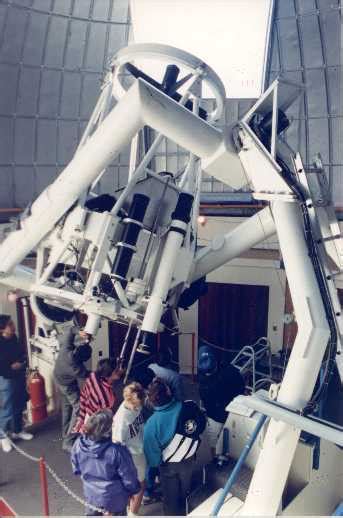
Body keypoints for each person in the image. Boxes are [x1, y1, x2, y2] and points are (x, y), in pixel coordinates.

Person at [143, 378, 206, 515]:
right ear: (168, 392)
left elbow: (152, 455)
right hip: (188, 457)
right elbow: (201, 425)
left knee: (170, 497)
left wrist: (157, 464)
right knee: (185, 483)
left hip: (168, 465)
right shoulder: (189, 406)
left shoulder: (151, 424)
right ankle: (186, 505)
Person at [71, 409, 140, 516]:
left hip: (91, 495)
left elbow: (76, 469)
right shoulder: (117, 451)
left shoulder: (78, 444)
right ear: (107, 431)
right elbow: (129, 478)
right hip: (115, 498)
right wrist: (133, 491)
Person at [198, 345, 245, 455]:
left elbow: (208, 406)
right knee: (237, 439)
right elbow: (241, 386)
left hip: (217, 417)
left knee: (212, 442)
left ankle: (214, 457)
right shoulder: (229, 370)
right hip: (235, 411)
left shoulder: (203, 385)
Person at [53, 325, 92, 452]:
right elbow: (88, 374)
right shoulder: (77, 369)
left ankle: (65, 434)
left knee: (66, 408)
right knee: (79, 408)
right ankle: (68, 441)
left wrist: (81, 333)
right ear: (83, 360)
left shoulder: (66, 348)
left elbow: (70, 330)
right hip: (67, 385)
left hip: (58, 378)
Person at [112, 382, 146, 515]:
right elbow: (117, 445)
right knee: (140, 486)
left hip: (139, 450)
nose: (140, 406)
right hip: (132, 456)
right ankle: (133, 513)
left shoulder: (135, 406)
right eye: (138, 404)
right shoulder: (121, 419)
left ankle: (130, 510)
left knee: (136, 486)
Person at [0, 314, 32, 453]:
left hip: (18, 375)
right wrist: (12, 367)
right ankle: (3, 437)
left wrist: (21, 363)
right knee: (8, 408)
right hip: (7, 378)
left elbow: (21, 353)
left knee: (19, 403)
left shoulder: (14, 338)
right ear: (2, 329)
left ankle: (17, 430)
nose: (13, 326)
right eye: (10, 324)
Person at [73, 358, 123, 435]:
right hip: (97, 425)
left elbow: (83, 396)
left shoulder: (92, 376)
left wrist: (81, 419)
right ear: (107, 376)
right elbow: (106, 419)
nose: (120, 370)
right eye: (116, 371)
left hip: (88, 417)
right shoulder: (106, 397)